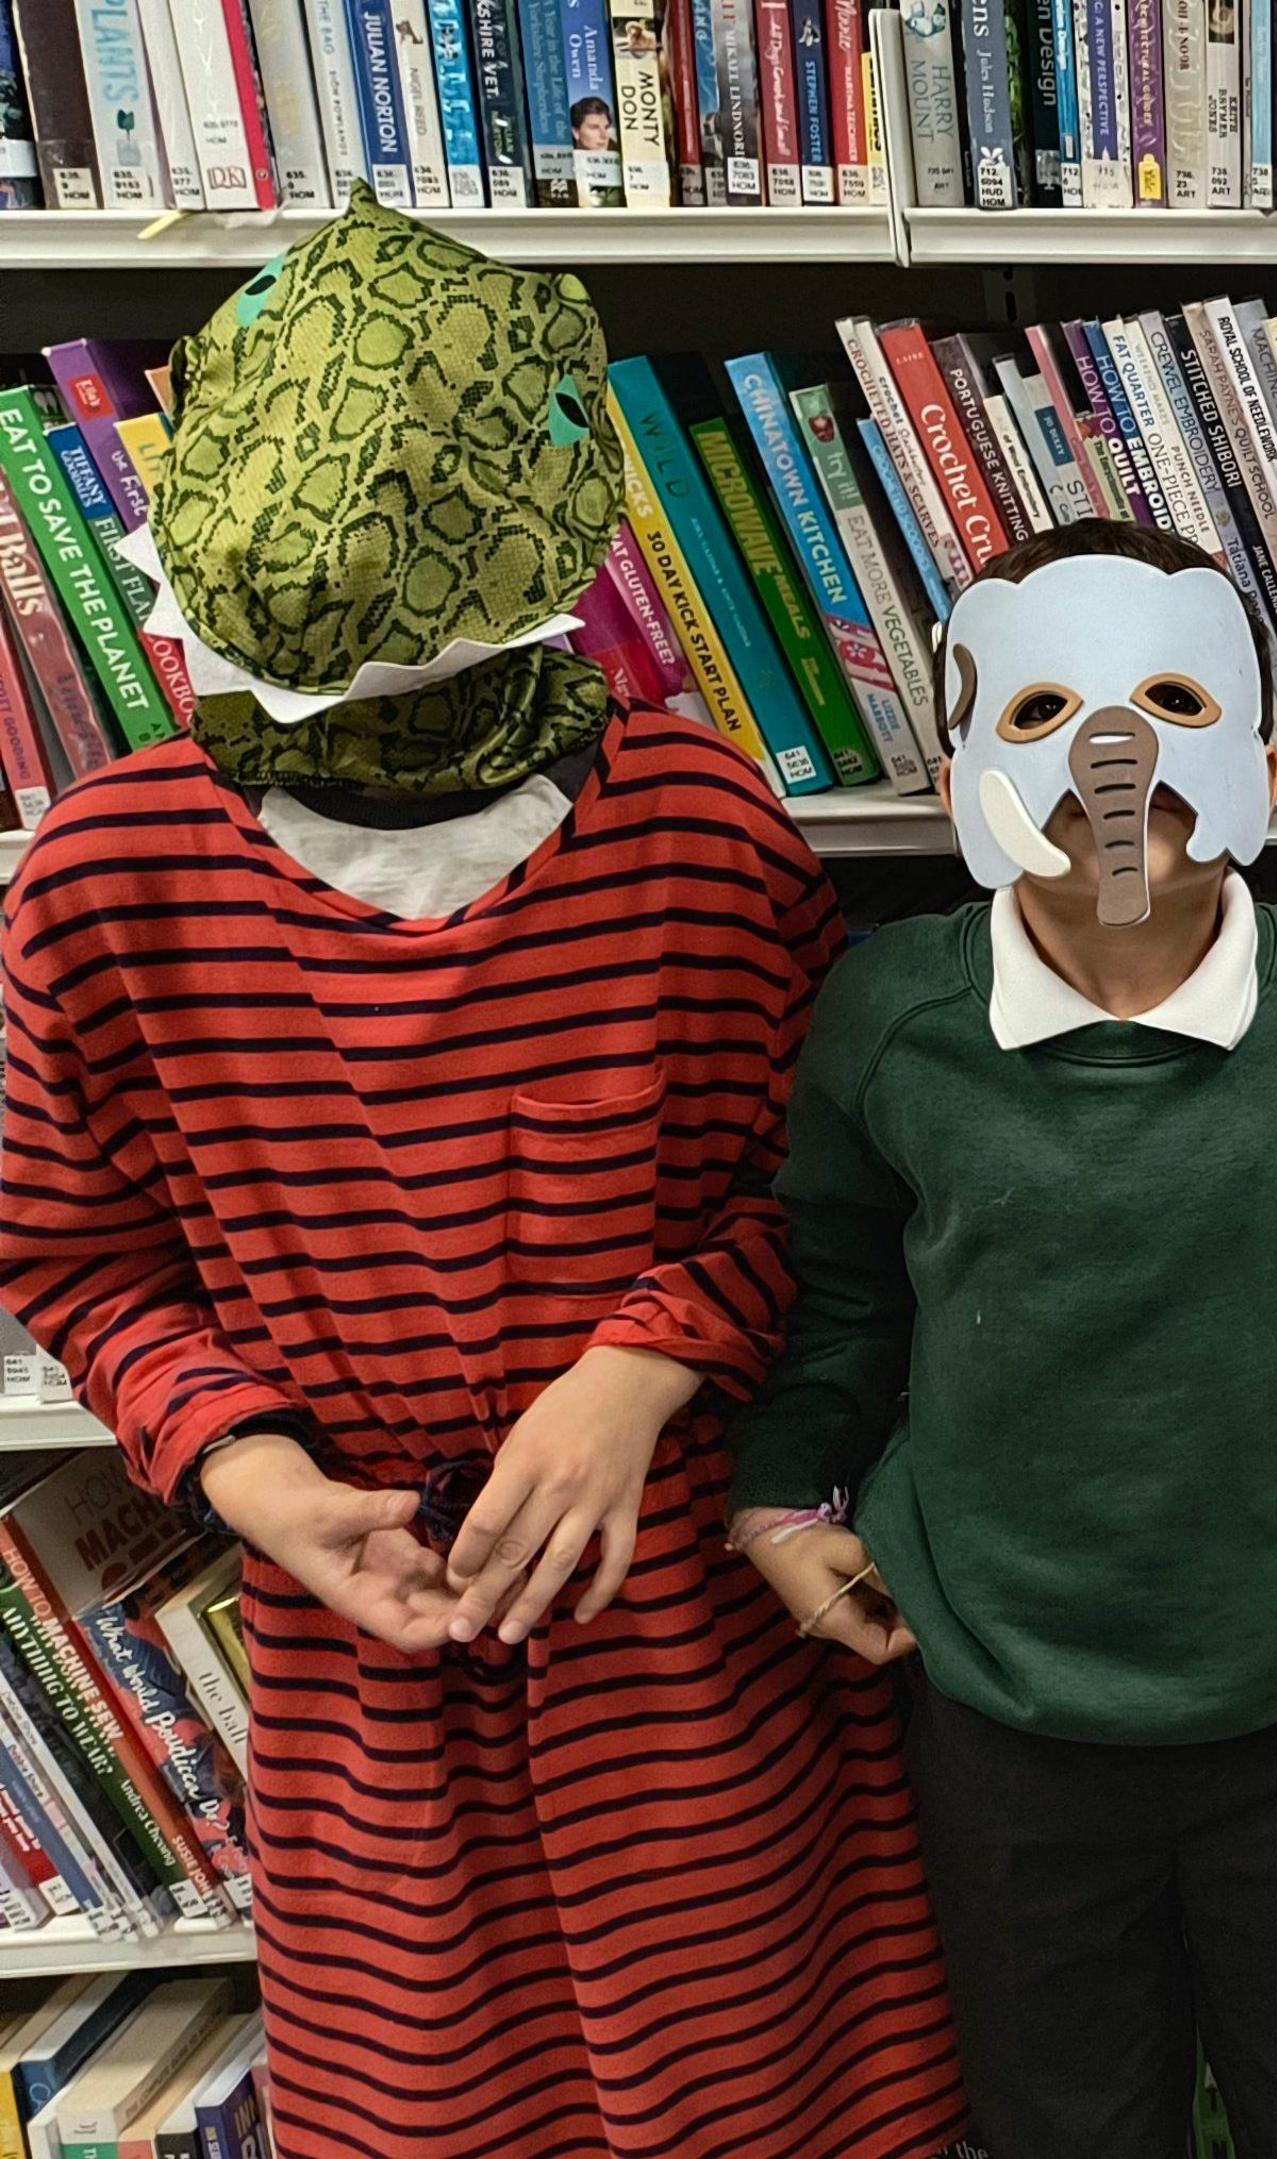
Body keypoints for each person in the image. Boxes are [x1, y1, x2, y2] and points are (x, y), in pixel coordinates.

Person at [0, 194, 969, 2157]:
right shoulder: (111, 877)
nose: (372, 733)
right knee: (447, 2100)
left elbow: (834, 1187)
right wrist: (260, 1474)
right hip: (376, 1684)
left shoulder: (694, 824)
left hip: (701, 1652)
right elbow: (75, 1253)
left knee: (782, 2093)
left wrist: (646, 1366)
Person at [722, 517, 1277, 2159]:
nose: (1115, 767)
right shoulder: (891, 1021)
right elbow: (838, 1284)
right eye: (1045, 715)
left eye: (1171, 705)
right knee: (1058, 2118)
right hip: (1005, 1708)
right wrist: (782, 1493)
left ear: (1260, 754)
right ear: (956, 774)